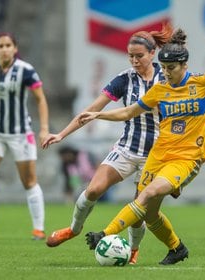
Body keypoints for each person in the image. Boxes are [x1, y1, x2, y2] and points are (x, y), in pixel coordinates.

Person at [79, 28, 205, 265]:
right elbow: (129, 111)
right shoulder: (159, 89)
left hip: (187, 157)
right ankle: (176, 248)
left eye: (171, 68)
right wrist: (98, 114)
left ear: (184, 64)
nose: (166, 73)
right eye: (164, 68)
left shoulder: (202, 82)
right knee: (150, 214)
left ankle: (105, 234)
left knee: (147, 193)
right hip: (158, 154)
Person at [42, 23, 173, 264]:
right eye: (130, 56)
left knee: (139, 207)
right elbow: (91, 110)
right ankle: (73, 229)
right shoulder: (124, 79)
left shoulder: (167, 78)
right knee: (93, 189)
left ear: (152, 53)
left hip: (156, 155)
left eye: (139, 56)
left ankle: (133, 249)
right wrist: (62, 134)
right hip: (126, 148)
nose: (134, 61)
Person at [0, 32, 49, 240]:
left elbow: (40, 100)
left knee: (29, 180)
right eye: (1, 45)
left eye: (8, 45)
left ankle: (38, 229)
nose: (4, 49)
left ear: (15, 49)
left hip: (20, 133)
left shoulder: (26, 70)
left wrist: (43, 128)